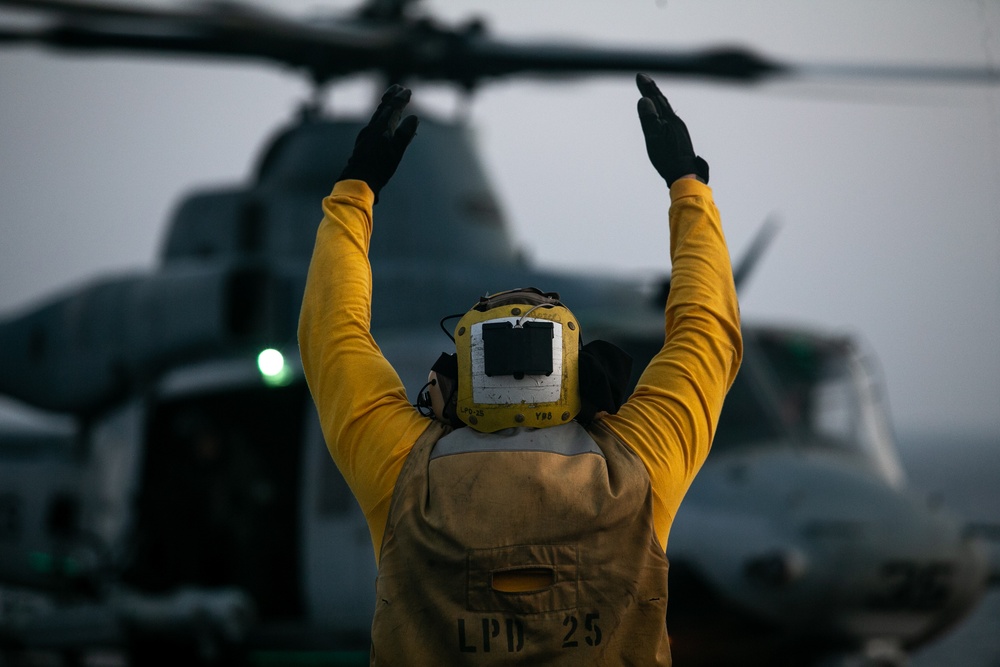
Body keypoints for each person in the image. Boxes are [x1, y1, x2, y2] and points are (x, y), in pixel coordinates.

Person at [298, 74, 742, 666]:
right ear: (575, 373)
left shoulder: (404, 474)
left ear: (459, 378)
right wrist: (688, 188)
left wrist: (355, 191)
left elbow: (331, 333)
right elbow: (706, 332)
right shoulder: (640, 471)